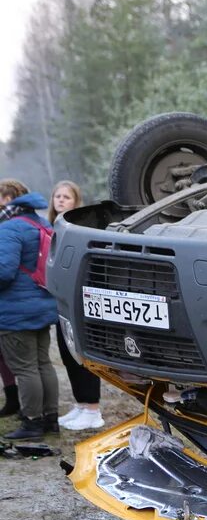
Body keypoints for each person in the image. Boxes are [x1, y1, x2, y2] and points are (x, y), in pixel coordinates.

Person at [0, 178, 59, 439]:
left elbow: (4, 271)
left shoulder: (10, 228)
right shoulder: (41, 222)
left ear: (7, 199)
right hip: (41, 303)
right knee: (43, 363)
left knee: (24, 368)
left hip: (15, 309)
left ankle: (32, 422)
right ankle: (50, 419)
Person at [49, 180, 104, 430]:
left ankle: (93, 409)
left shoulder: (80, 230)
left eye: (66, 197)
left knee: (81, 355)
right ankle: (82, 405)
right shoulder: (52, 228)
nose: (60, 200)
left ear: (76, 202)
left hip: (79, 301)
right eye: (57, 196)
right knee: (66, 353)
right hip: (61, 299)